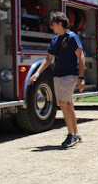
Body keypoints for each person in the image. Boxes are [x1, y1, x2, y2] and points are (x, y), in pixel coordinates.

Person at [29, 11, 85, 148]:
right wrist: (37, 73)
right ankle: (76, 134)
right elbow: (48, 58)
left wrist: (81, 77)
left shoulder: (72, 38)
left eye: (53, 24)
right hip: (58, 76)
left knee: (62, 102)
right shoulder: (55, 39)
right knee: (68, 103)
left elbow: (81, 56)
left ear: (60, 23)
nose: (51, 27)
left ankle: (71, 135)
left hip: (69, 76)